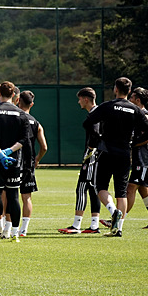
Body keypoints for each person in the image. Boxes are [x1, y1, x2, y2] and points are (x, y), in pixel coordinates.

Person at [83, 77, 148, 237]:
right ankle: (118, 229)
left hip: (106, 152)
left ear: (115, 89)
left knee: (101, 188)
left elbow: (87, 123)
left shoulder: (107, 106)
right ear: (129, 91)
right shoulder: (135, 110)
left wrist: (98, 138)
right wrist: (133, 142)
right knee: (121, 193)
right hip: (124, 154)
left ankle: (113, 211)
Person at [0, 82, 31, 243]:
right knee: (13, 196)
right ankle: (15, 234)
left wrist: (0, 153)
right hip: (15, 161)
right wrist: (10, 151)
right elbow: (24, 139)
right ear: (15, 96)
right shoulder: (22, 114)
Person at [59, 88, 102, 234]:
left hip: (92, 157)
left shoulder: (95, 114)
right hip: (98, 156)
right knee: (92, 189)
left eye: (79, 99)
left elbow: (96, 134)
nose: (78, 102)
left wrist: (90, 151)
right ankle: (94, 226)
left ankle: (76, 226)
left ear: (86, 99)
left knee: (82, 187)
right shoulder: (99, 112)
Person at [126, 87, 148, 229]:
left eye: (132, 97)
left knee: (130, 188)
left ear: (138, 100)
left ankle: (118, 218)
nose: (130, 100)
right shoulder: (137, 115)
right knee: (143, 190)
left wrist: (130, 144)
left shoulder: (145, 116)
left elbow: (146, 139)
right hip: (139, 158)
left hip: (144, 159)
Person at [16, 90, 48, 237]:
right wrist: (37, 159)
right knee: (26, 196)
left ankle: (7, 228)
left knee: (8, 194)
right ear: (32, 104)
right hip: (28, 162)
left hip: (13, 160)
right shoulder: (36, 123)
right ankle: (24, 230)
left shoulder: (15, 118)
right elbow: (44, 147)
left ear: (18, 101)